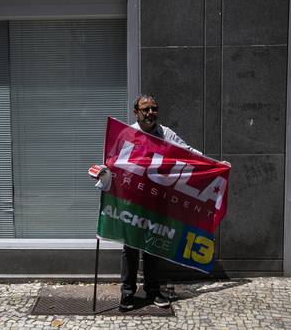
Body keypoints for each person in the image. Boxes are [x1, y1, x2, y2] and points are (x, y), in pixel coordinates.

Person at [89, 94, 230, 311]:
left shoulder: (166, 134)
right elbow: (113, 162)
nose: (150, 113)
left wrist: (214, 165)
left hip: (156, 202)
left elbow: (189, 154)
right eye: (145, 109)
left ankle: (153, 290)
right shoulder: (127, 135)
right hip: (132, 201)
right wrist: (103, 173)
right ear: (136, 112)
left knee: (153, 247)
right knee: (131, 248)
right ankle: (127, 293)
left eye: (154, 108)